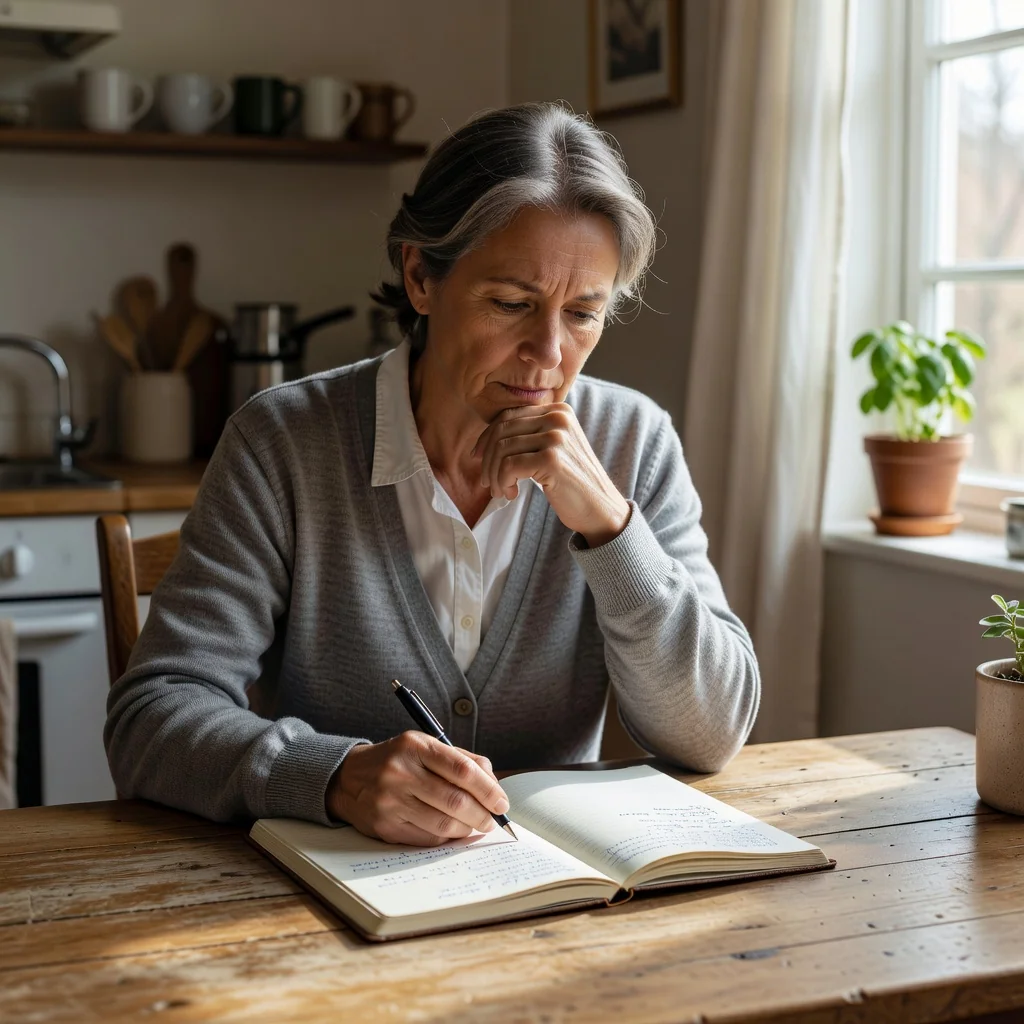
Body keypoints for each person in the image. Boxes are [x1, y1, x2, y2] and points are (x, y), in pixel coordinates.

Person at [105, 101, 760, 847]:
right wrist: (333, 775)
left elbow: (710, 735)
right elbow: (151, 718)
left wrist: (611, 529)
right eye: (512, 303)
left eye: (583, 313)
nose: (548, 353)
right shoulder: (281, 442)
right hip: (319, 915)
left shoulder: (633, 441)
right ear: (420, 276)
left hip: (559, 912)